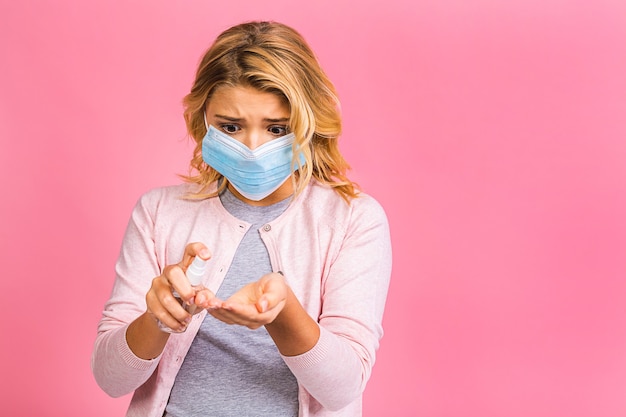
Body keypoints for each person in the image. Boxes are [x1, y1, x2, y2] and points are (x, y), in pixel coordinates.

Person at [91, 21, 392, 417]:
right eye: (230, 127)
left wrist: (283, 312)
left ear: (309, 124)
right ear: (203, 122)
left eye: (277, 128)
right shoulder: (159, 212)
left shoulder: (352, 220)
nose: (252, 148)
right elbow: (110, 379)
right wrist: (157, 317)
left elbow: (342, 388)